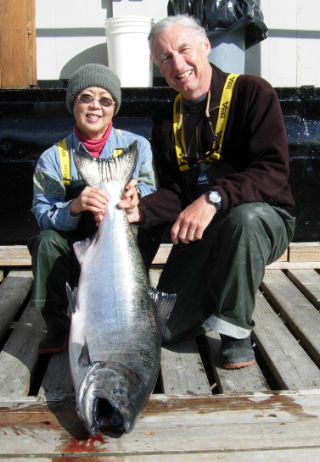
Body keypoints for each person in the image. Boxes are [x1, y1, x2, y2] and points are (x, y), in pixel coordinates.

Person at [128, 15, 296, 369]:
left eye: (183, 49)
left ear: (205, 46)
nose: (177, 63)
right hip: (202, 231)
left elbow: (273, 169)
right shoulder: (163, 119)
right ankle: (213, 295)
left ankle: (236, 330)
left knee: (244, 219)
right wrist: (140, 210)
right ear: (158, 66)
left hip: (265, 217)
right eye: (165, 58)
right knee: (166, 330)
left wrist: (213, 198)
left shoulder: (253, 92)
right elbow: (175, 191)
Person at [28, 63, 157, 354]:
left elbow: (151, 191)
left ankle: (129, 311)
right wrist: (74, 207)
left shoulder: (138, 146)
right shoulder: (52, 158)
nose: (95, 106)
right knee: (45, 242)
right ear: (73, 103)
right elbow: (42, 213)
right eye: (86, 97)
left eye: (105, 99)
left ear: (114, 107)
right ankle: (58, 326)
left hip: (119, 249)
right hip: (75, 250)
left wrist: (136, 198)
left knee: (142, 229)